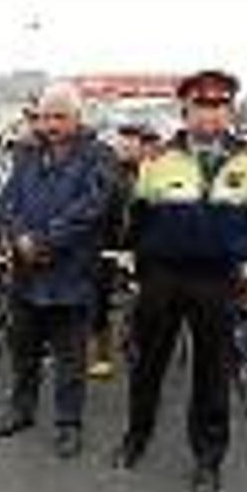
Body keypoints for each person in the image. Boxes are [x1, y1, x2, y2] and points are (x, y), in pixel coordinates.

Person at [112, 70, 247, 492]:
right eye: (202, 106)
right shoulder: (157, 158)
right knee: (147, 365)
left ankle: (208, 459)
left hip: (219, 279)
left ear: (230, 110)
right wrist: (136, 270)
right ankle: (136, 437)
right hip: (162, 277)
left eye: (220, 105)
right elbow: (137, 219)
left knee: (213, 373)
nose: (211, 114)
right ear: (185, 110)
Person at [0, 83, 112, 458]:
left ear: (78, 117)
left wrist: (42, 242)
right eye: (44, 116)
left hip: (71, 274)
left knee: (70, 358)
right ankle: (21, 409)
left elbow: (91, 209)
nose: (51, 124)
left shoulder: (99, 156)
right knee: (22, 350)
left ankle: (68, 424)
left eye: (59, 116)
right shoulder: (27, 153)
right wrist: (18, 237)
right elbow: (7, 202)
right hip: (26, 275)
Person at [88, 124, 145, 380]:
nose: (129, 148)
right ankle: (102, 355)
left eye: (134, 144)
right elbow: (98, 210)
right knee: (99, 302)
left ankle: (139, 340)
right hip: (107, 247)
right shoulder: (106, 172)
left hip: (141, 248)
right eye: (124, 143)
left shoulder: (149, 173)